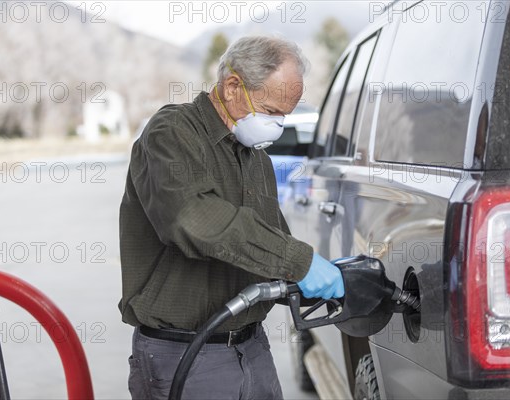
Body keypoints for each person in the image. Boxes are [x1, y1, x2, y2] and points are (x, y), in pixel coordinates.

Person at [119, 35, 344, 400]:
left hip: (252, 349)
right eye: (271, 111)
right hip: (185, 355)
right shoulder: (172, 133)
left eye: (284, 115)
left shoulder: (258, 159)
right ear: (233, 86)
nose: (278, 125)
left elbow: (269, 247)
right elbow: (193, 218)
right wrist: (300, 262)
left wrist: (331, 279)